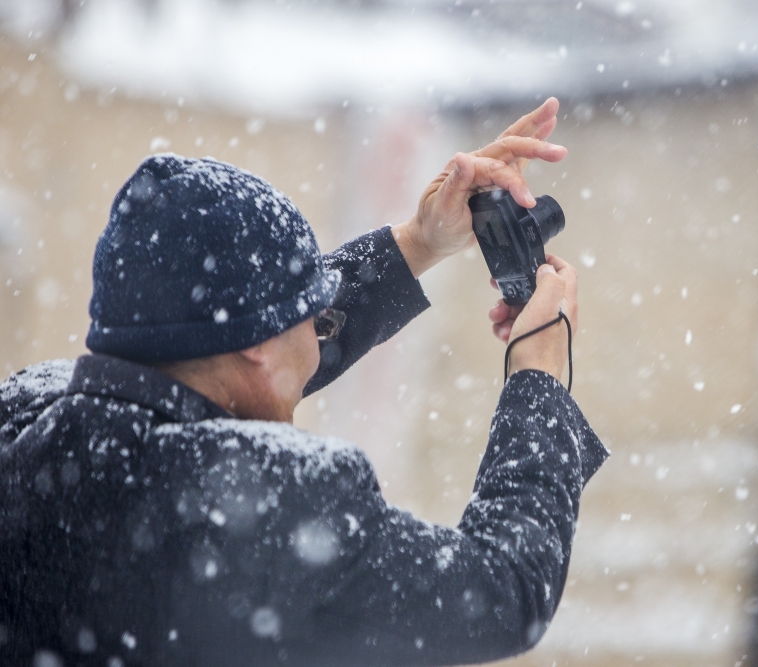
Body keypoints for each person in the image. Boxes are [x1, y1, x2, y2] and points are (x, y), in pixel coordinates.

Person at [0, 98, 607, 667]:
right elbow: (505, 591)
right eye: (311, 312)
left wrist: (419, 242)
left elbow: (222, 369)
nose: (320, 333)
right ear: (258, 344)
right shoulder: (271, 509)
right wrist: (538, 377)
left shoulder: (24, 415)